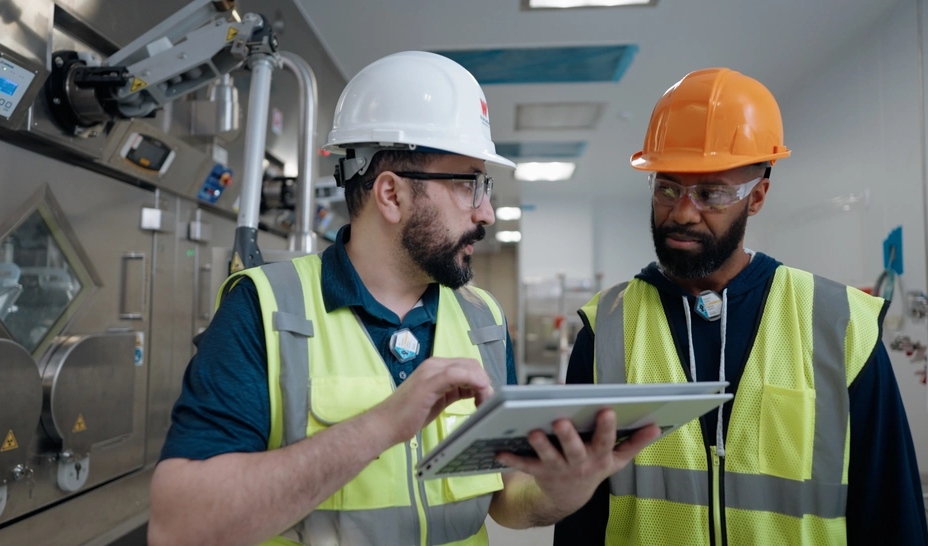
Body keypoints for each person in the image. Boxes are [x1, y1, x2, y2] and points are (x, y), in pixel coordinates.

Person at [148, 51, 660, 546]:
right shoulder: (263, 308)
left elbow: (504, 498)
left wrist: (561, 492)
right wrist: (380, 427)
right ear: (391, 194)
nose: (486, 214)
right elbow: (181, 528)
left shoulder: (483, 320)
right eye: (468, 185)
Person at [553, 67, 928, 546]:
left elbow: (891, 511)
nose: (683, 212)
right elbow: (579, 519)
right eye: (668, 188)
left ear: (757, 198)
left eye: (710, 193)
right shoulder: (606, 328)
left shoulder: (839, 324)